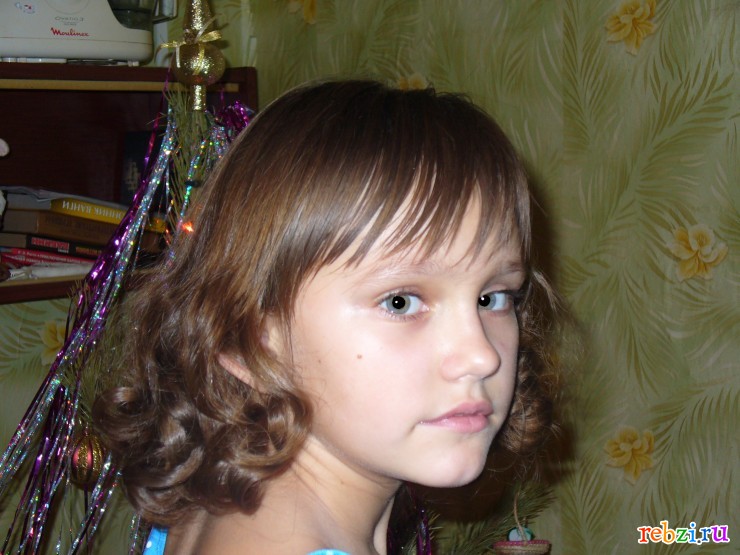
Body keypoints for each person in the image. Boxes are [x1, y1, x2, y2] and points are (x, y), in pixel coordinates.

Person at [93, 79, 556, 555]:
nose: (481, 356)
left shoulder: (217, 510)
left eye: (493, 298)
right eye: (400, 302)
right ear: (246, 338)